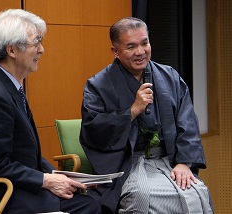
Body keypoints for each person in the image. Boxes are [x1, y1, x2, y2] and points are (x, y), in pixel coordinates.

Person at [0, 9, 101, 214]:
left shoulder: (6, 85)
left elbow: (25, 154)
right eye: (36, 42)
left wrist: (59, 175)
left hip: (13, 187)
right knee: (89, 206)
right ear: (12, 50)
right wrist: (47, 180)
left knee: (89, 197)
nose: (42, 49)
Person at [80, 17, 213, 213]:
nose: (140, 52)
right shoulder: (97, 85)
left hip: (171, 160)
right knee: (142, 196)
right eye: (131, 46)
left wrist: (185, 162)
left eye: (145, 43)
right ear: (115, 51)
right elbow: (93, 130)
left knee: (195, 192)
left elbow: (188, 123)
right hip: (128, 163)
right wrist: (132, 110)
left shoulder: (170, 76)